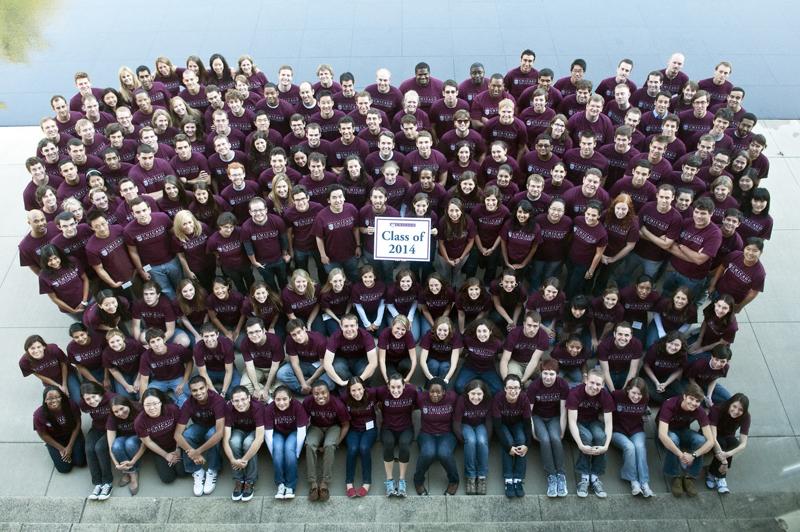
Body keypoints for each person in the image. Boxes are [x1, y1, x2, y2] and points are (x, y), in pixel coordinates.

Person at [657, 383, 715, 497]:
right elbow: (662, 435)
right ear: (684, 396)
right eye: (691, 399)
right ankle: (675, 476)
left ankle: (690, 476)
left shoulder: (700, 411)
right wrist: (681, 455)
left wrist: (693, 455)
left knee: (700, 440)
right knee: (672, 438)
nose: (694, 403)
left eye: (697, 401)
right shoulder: (670, 404)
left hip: (683, 431)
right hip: (668, 431)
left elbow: (711, 441)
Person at [175, 376, 226, 497]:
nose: (198, 393)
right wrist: (191, 451)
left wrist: (197, 452)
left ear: (207, 387)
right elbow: (177, 435)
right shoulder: (188, 404)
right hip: (200, 426)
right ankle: (197, 471)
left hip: (215, 427)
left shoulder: (217, 400)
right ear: (190, 392)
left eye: (201, 388)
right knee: (187, 435)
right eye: (194, 390)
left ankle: (213, 469)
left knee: (211, 434)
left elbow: (219, 433)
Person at [567, 368, 614, 498]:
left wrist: (606, 446)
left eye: (598, 384)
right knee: (586, 438)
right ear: (586, 380)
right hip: (578, 423)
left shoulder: (605, 395)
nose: (594, 387)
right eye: (592, 382)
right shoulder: (575, 393)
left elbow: (609, 423)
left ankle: (594, 477)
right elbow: (571, 422)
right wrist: (580, 445)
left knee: (600, 436)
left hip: (593, 422)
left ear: (603, 385)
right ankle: (584, 478)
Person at [527, 359, 570, 497]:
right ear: (541, 373)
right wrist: (532, 430)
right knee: (545, 440)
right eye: (545, 373)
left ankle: (561, 476)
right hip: (538, 417)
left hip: (554, 418)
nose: (548, 377)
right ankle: (551, 476)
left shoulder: (562, 385)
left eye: (551, 374)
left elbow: (564, 410)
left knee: (555, 439)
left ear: (557, 374)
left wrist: (562, 429)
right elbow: (529, 412)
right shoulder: (534, 386)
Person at [303, 381, 350, 502]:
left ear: (328, 392)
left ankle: (324, 482)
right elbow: (303, 421)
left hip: (333, 427)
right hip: (316, 427)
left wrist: (337, 442)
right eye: (316, 393)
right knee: (309, 445)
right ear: (312, 394)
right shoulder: (308, 402)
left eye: (323, 392)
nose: (320, 396)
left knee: (329, 445)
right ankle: (313, 483)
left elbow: (345, 425)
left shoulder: (337, 404)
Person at [413, 378, 459, 495]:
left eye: (438, 392)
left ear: (444, 392)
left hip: (447, 434)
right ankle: (418, 481)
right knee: (428, 453)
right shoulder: (422, 398)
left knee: (443, 453)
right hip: (426, 434)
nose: (434, 395)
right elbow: (409, 391)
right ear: (428, 391)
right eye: (432, 392)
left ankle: (454, 481)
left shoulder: (452, 397)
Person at [611, 377, 653, 497]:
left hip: (636, 429)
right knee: (630, 447)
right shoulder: (617, 395)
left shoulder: (645, 398)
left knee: (639, 447)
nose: (636, 397)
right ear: (628, 390)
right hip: (618, 430)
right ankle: (633, 481)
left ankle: (644, 483)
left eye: (639, 394)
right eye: (634, 393)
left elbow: (644, 414)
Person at [264, 385, 308, 500]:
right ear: (274, 400)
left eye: (284, 399)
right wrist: (273, 453)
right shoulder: (269, 409)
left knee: (289, 450)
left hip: (294, 432)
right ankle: (280, 484)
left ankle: (290, 485)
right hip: (278, 433)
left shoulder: (297, 406)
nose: (281, 403)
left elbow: (302, 431)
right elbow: (268, 434)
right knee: (278, 450)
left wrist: (297, 452)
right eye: (278, 400)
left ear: (290, 398)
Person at [376, 374, 417, 497]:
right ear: (388, 387)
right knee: (388, 444)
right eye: (392, 387)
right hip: (388, 427)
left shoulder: (412, 391)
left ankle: (402, 480)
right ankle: (389, 480)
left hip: (406, 427)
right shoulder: (381, 392)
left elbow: (422, 401)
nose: (395, 390)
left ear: (404, 385)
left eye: (399, 386)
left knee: (404, 445)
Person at [223, 385, 266, 502]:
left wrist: (245, 460)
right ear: (231, 401)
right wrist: (232, 459)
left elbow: (260, 438)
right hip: (239, 430)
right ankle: (239, 480)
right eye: (236, 401)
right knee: (234, 441)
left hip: (254, 432)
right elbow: (226, 439)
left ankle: (250, 481)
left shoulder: (257, 407)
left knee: (248, 443)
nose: (240, 404)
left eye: (243, 399)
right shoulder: (228, 408)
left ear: (249, 398)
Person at [135, 388, 186, 484]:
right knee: (168, 479)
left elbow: (181, 430)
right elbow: (148, 442)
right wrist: (166, 455)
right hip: (159, 448)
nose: (152, 408)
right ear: (143, 405)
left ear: (161, 402)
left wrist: (178, 448)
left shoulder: (172, 409)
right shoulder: (139, 421)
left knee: (183, 472)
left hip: (177, 443)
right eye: (147, 405)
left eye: (155, 403)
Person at [493, 374, 532, 497]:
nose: (513, 391)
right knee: (508, 443)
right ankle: (508, 479)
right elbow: (497, 426)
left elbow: (527, 424)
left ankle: (518, 479)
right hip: (503, 425)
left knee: (521, 440)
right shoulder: (498, 399)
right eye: (510, 387)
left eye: (516, 388)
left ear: (520, 389)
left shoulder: (524, 399)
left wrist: (527, 445)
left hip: (518, 424)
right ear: (505, 389)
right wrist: (508, 447)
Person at [34, 386, 86, 474]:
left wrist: (69, 447)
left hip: (72, 434)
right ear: (45, 400)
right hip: (55, 439)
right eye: (49, 399)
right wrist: (61, 449)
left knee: (81, 463)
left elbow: (78, 423)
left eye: (57, 397)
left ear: (61, 397)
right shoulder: (39, 414)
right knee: (64, 469)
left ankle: (74, 449)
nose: (53, 401)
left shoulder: (71, 405)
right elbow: (43, 435)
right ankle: (53, 448)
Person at [78, 381, 116, 500]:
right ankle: (97, 483)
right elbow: (85, 409)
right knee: (89, 449)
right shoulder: (83, 404)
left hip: (113, 428)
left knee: (99, 448)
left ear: (100, 393)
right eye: (88, 399)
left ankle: (107, 483)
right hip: (97, 427)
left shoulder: (112, 399)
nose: (92, 401)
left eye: (94, 397)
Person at [706, 393, 751, 494]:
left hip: (727, 436)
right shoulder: (717, 409)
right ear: (730, 404)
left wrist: (728, 454)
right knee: (722, 443)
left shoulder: (746, 417)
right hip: (710, 434)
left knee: (734, 443)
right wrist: (724, 462)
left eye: (740, 410)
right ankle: (720, 476)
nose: (736, 411)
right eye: (734, 406)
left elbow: (743, 444)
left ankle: (713, 474)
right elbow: (713, 437)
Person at [137, 328, 193, 407]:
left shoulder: (177, 349)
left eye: (158, 340)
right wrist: (143, 400)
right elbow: (144, 380)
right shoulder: (145, 357)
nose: (156, 344)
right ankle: (170, 400)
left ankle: (176, 401)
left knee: (186, 401)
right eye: (152, 342)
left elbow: (189, 361)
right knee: (150, 397)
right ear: (149, 345)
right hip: (158, 381)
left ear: (164, 339)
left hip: (177, 378)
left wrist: (184, 381)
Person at [454, 379, 491, 495]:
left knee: (481, 441)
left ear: (484, 394)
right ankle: (470, 477)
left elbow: (489, 422)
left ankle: (481, 477)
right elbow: (456, 422)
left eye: (479, 394)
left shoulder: (488, 400)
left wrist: (486, 439)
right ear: (468, 393)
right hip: (466, 425)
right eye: (473, 394)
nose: (476, 397)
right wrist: (461, 439)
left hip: (481, 425)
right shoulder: (461, 400)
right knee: (470, 441)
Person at [323, 314, 379, 387]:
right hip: (342, 360)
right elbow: (327, 364)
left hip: (360, 360)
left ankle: (361, 388)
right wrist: (340, 382)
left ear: (357, 326)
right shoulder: (335, 337)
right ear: (341, 327)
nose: (349, 329)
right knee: (337, 368)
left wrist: (359, 380)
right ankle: (347, 387)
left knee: (369, 370)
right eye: (346, 326)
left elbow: (373, 362)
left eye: (352, 326)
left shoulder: (366, 336)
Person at [239, 317, 284, 402]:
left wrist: (266, 388)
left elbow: (275, 366)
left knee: (283, 385)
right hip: (256, 368)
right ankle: (266, 397)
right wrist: (256, 388)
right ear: (247, 334)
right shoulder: (245, 343)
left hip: (273, 368)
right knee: (244, 385)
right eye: (251, 333)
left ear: (264, 331)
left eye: (257, 331)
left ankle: (264, 394)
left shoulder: (275, 341)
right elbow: (250, 366)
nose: (254, 335)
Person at [106, 395, 143, 495]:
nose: (120, 413)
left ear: (128, 404)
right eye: (116, 411)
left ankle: (133, 472)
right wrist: (116, 464)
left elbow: (146, 441)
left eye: (122, 408)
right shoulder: (112, 417)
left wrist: (133, 461)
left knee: (129, 443)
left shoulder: (139, 409)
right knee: (116, 445)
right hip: (123, 437)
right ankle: (130, 472)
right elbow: (110, 445)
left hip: (140, 438)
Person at [454, 319, 504, 394]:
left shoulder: (497, 343)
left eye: (484, 331)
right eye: (479, 331)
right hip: (470, 368)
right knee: (459, 386)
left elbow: (501, 354)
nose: (481, 334)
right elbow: (461, 348)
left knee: (499, 390)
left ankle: (482, 395)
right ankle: (472, 396)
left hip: (488, 369)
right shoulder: (469, 340)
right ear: (476, 332)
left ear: (490, 332)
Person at [194, 323, 240, 399]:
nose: (209, 339)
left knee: (235, 390)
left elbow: (229, 371)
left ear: (217, 335)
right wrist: (214, 392)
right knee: (197, 388)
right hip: (209, 371)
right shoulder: (198, 348)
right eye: (206, 336)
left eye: (212, 335)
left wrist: (223, 393)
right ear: (201, 336)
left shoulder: (227, 344)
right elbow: (203, 373)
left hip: (225, 370)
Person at [642, 332, 688, 404]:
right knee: (650, 393)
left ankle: (663, 401)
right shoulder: (655, 348)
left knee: (680, 393)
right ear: (666, 342)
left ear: (681, 346)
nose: (673, 347)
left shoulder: (682, 353)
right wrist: (656, 382)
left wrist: (666, 383)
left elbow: (680, 369)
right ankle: (666, 402)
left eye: (677, 345)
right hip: (650, 376)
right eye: (671, 343)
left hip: (667, 377)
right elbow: (646, 365)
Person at [597, 322, 644, 392]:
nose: (623, 338)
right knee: (603, 391)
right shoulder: (604, 346)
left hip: (625, 372)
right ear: (614, 334)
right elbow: (605, 372)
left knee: (630, 391)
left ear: (631, 336)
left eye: (626, 335)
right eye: (620, 334)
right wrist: (613, 392)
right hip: (609, 371)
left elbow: (632, 371)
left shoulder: (637, 344)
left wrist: (623, 391)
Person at [377, 315, 417, 383]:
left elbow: (414, 359)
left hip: (403, 360)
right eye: (397, 328)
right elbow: (381, 360)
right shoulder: (384, 334)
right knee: (393, 378)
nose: (399, 332)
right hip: (389, 361)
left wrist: (408, 378)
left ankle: (403, 382)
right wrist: (386, 380)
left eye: (403, 329)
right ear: (392, 325)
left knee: (406, 365)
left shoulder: (408, 335)